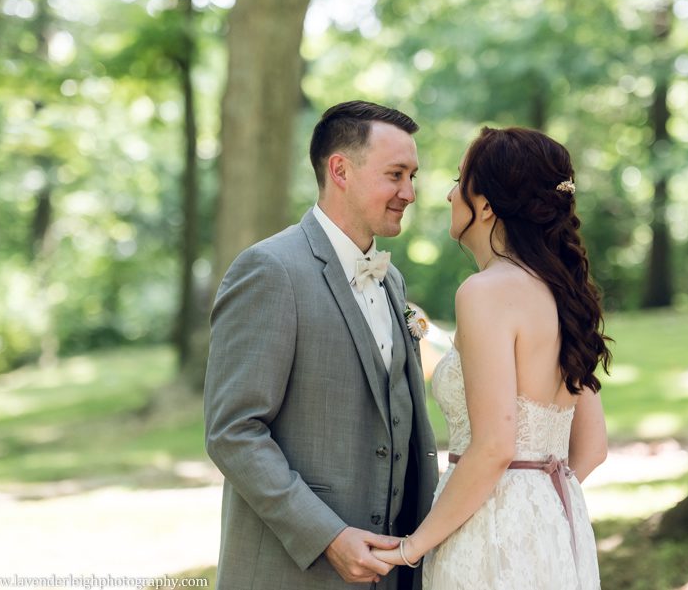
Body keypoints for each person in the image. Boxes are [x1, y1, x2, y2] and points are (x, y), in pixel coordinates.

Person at [203, 100, 440, 590]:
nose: (409, 193)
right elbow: (233, 432)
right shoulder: (270, 270)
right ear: (340, 170)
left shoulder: (391, 279)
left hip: (392, 574)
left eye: (413, 176)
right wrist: (328, 535)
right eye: (396, 174)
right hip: (293, 574)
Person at [373, 127, 611, 589]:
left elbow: (495, 446)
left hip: (489, 529)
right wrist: (534, 500)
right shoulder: (563, 293)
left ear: (484, 205)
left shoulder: (484, 292)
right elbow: (593, 446)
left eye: (459, 179)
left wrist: (411, 547)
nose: (445, 194)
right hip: (556, 528)